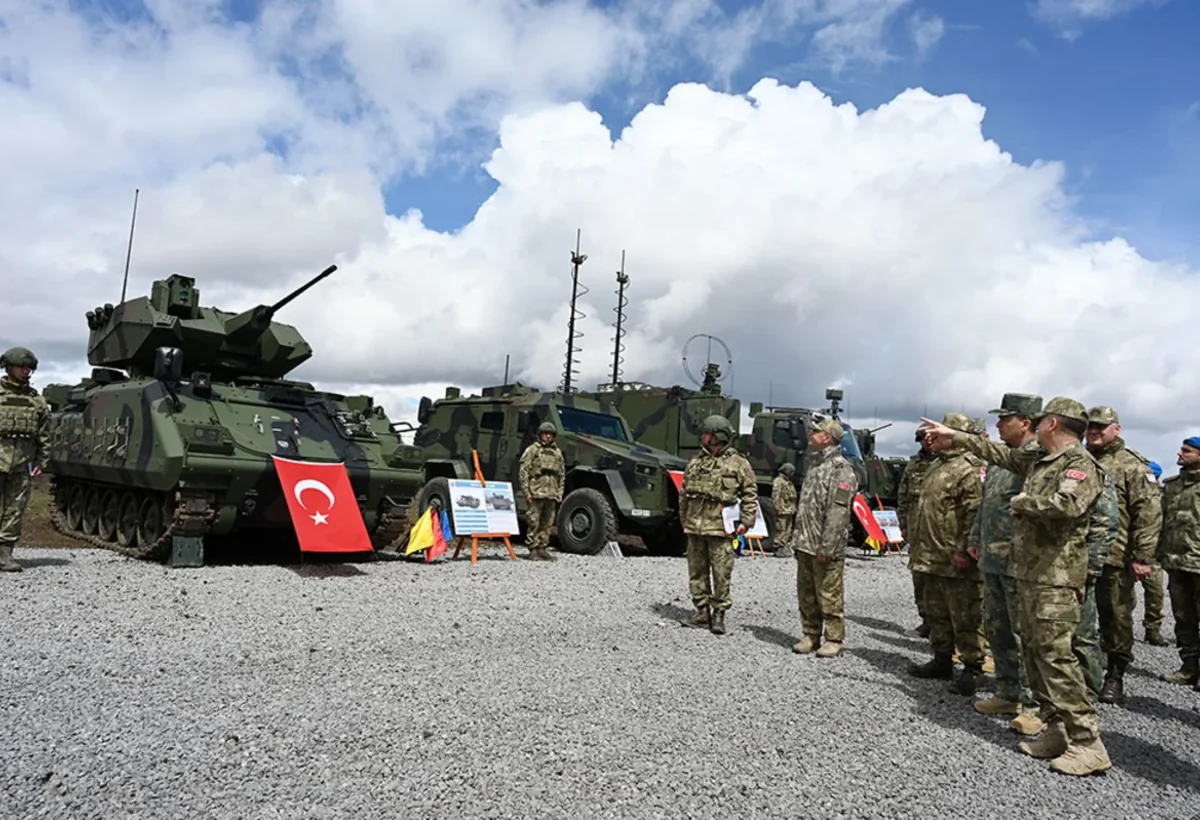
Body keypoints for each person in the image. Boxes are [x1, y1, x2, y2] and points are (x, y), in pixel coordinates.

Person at [920, 397, 1112, 776]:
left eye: (1040, 421)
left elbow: (1069, 504)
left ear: (1053, 425)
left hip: (1056, 580)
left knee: (1057, 659)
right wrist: (955, 435)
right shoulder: (1040, 461)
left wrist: (1026, 502)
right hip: (1030, 574)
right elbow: (996, 451)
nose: (1035, 426)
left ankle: (1089, 744)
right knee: (1038, 658)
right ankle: (1057, 730)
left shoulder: (1078, 464)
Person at [968, 394, 1044, 734]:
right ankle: (1008, 692)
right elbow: (988, 506)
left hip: (1021, 563)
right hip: (993, 559)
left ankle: (1034, 705)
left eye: (1005, 419)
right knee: (998, 630)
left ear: (1025, 422)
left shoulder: (1037, 460)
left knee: (1025, 634)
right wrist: (974, 539)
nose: (998, 425)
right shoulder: (1002, 462)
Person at [1084, 406, 1163, 704]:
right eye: (1090, 426)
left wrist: (1143, 556)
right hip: (1074, 556)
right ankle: (1083, 673)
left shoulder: (1132, 465)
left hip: (1113, 557)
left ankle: (1115, 676)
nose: (1094, 431)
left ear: (1116, 429)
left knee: (1115, 619)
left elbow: (1148, 514)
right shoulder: (1078, 459)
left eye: (1101, 427)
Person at [906, 413, 985, 693]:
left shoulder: (970, 468)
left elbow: (974, 514)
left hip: (955, 559)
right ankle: (942, 660)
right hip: (929, 555)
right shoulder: (936, 465)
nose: (931, 438)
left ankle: (973, 669)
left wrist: (964, 549)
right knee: (936, 614)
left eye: (938, 433)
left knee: (965, 616)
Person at [678, 415, 758, 635]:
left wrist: (747, 521)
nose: (702, 436)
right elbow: (684, 493)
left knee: (721, 573)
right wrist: (684, 519)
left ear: (717, 436)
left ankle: (719, 614)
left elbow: (750, 495)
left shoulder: (738, 463)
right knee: (696, 571)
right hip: (695, 526)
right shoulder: (695, 461)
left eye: (706, 433)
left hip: (721, 529)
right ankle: (701, 611)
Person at [790, 419, 858, 658]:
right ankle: (810, 634)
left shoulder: (841, 470)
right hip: (805, 543)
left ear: (828, 437)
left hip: (824, 546)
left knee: (829, 594)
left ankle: (833, 638)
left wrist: (827, 546)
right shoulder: (815, 465)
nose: (810, 434)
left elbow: (838, 513)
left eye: (816, 431)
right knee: (806, 593)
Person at [0, 346, 50, 573]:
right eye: (21, 367)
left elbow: (44, 434)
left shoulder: (37, 401)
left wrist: (41, 461)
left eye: (29, 368)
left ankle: (5, 554)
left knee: (15, 510)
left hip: (21, 464)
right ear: (8, 367)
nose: (26, 371)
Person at [1155, 437, 1200, 691]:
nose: (1180, 453)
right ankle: (1189, 667)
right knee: (1183, 619)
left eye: (1187, 450)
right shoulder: (1172, 486)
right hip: (1176, 562)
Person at [897, 430, 938, 637]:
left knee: (939, 579)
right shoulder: (914, 464)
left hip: (940, 533)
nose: (928, 441)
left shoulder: (948, 462)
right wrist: (903, 523)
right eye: (924, 439)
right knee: (919, 576)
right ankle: (926, 620)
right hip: (916, 529)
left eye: (931, 437)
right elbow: (903, 494)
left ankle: (944, 626)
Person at [518, 421, 565, 561]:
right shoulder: (532, 450)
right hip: (535, 492)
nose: (548, 436)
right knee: (534, 521)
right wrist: (526, 492)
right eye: (545, 433)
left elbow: (561, 474)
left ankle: (542, 548)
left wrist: (559, 492)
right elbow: (524, 472)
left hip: (551, 493)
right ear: (540, 434)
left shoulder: (557, 453)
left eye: (550, 434)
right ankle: (533, 549)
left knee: (547, 523)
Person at [1140, 461, 1169, 646]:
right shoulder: (1135, 492)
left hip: (1154, 552)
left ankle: (1152, 629)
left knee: (1155, 593)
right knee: (1122, 598)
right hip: (1129, 550)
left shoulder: (1163, 496)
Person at [772, 463, 798, 558]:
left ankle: (783, 547)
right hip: (782, 511)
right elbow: (776, 496)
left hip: (789, 511)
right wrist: (778, 508)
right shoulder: (778, 481)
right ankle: (777, 548)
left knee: (787, 531)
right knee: (780, 530)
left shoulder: (788, 482)